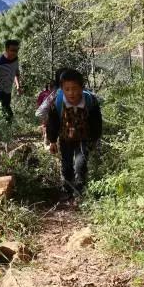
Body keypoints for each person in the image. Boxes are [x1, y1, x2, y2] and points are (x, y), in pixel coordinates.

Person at [46, 69, 102, 200]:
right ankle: (67, 188)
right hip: (65, 138)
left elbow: (96, 122)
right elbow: (52, 123)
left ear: (82, 88)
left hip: (84, 139)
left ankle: (80, 190)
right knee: (66, 164)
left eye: (75, 88)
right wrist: (52, 141)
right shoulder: (57, 102)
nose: (71, 93)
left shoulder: (90, 101)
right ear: (62, 89)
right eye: (67, 89)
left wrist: (94, 138)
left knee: (80, 164)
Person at [0, 40, 22, 121]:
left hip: (8, 91)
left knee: (7, 111)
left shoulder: (16, 59)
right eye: (12, 50)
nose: (14, 52)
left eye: (16, 50)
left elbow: (16, 73)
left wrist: (18, 86)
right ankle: (5, 129)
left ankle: (6, 128)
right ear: (6, 49)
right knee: (6, 113)